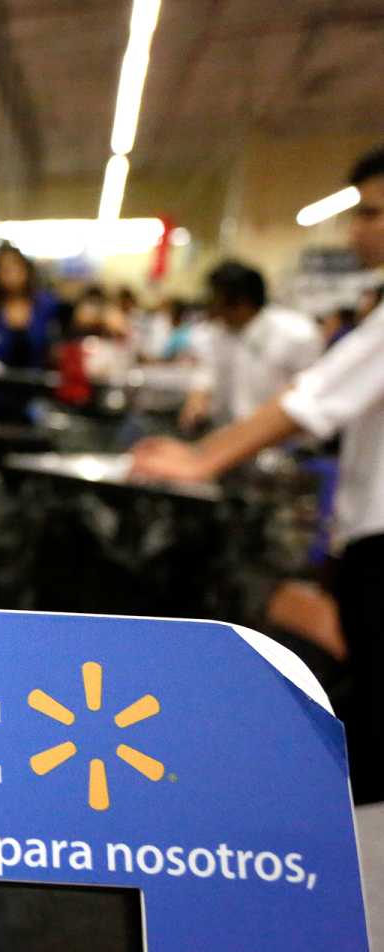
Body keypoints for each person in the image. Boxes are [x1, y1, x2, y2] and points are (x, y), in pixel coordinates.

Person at [131, 145, 384, 802]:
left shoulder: (316, 329)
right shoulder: (226, 337)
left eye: (373, 213)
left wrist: (203, 459)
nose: (358, 229)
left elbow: (310, 399)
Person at [178, 261, 321, 432]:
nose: (209, 306)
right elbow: (207, 371)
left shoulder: (296, 333)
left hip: (276, 443)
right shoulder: (217, 332)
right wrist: (197, 400)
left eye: (214, 298)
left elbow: (308, 397)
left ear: (239, 302)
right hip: (224, 435)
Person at [0, 246, 60, 370]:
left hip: (36, 381)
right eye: (4, 268)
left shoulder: (46, 305)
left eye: (14, 266)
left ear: (26, 270)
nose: (10, 273)